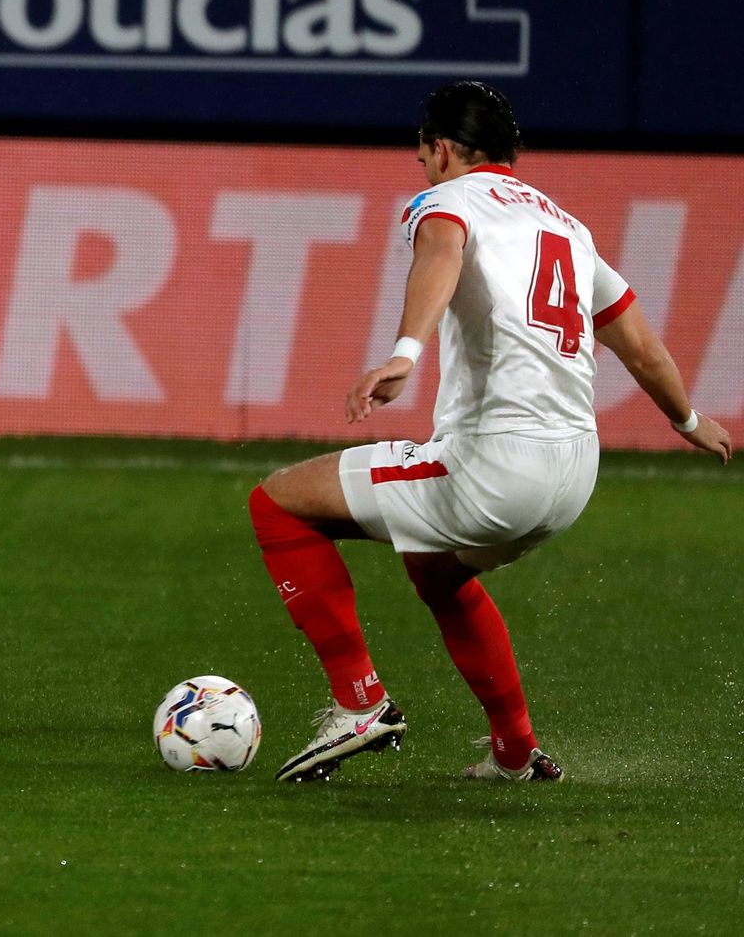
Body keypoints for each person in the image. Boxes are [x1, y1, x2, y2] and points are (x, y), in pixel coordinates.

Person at [248, 81, 732, 783]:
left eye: (423, 156)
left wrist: (405, 353)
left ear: (442, 149)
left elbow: (441, 254)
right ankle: (513, 749)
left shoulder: (446, 203)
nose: (423, 169)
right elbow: (639, 344)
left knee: (279, 503)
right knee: (437, 571)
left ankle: (362, 706)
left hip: (498, 468)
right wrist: (687, 419)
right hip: (575, 475)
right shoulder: (566, 225)